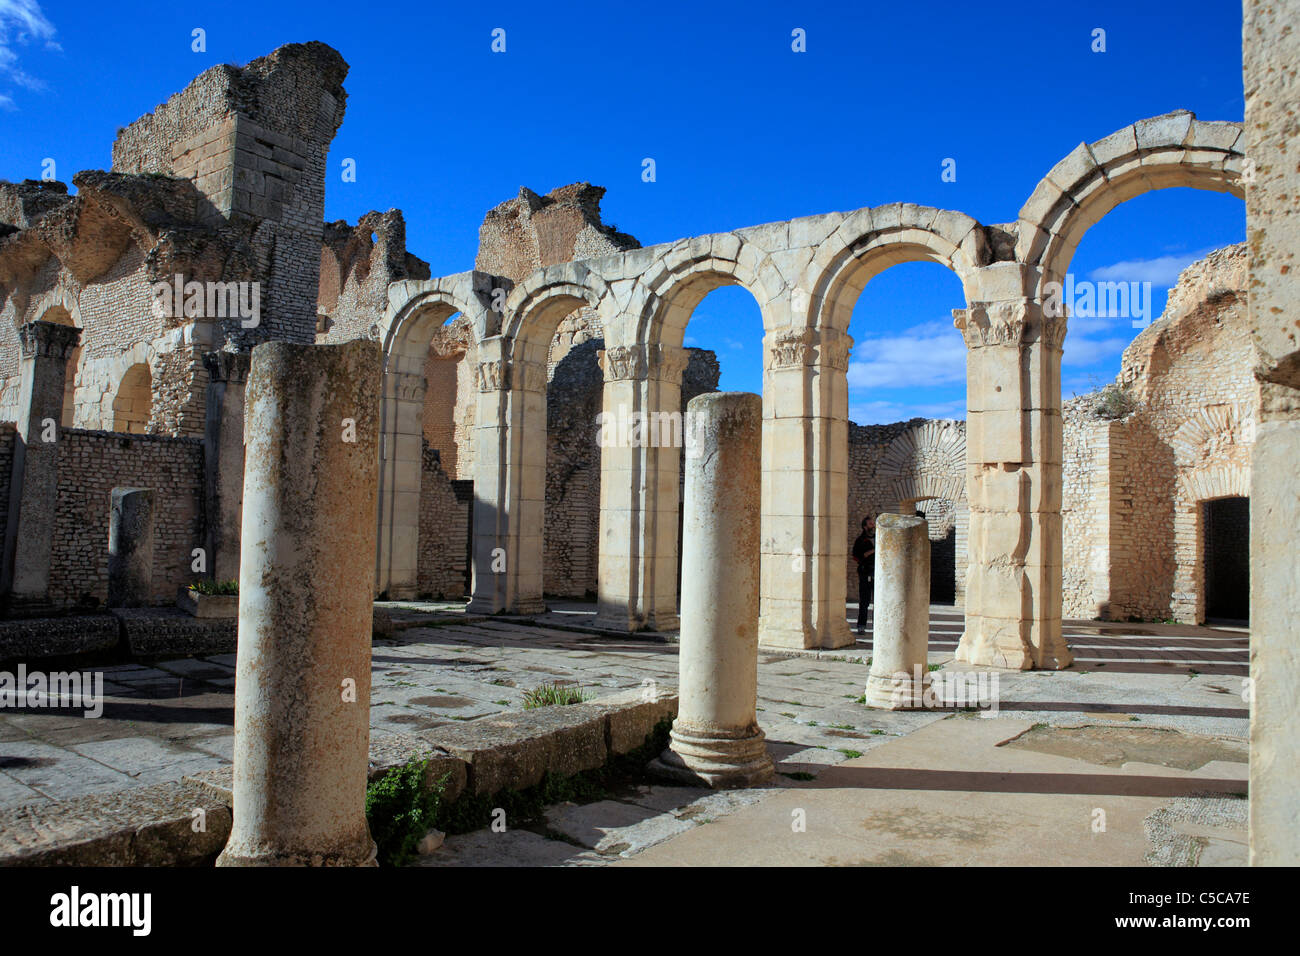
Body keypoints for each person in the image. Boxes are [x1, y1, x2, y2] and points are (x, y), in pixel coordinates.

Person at [851, 514, 876, 634]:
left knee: (879, 601)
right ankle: (861, 626)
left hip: (878, 572)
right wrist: (873, 550)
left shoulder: (879, 537)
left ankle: (879, 627)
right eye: (871, 524)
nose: (873, 525)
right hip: (865, 572)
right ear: (865, 527)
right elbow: (856, 556)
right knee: (864, 601)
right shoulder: (860, 540)